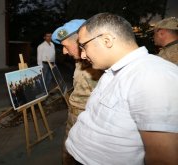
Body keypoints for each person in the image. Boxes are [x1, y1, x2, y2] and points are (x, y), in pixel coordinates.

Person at [65, 13, 178, 164]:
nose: (83, 55)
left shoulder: (153, 76)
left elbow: (163, 159)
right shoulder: (114, 71)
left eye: (84, 46)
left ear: (107, 40)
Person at [52, 19, 103, 164]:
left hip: (86, 120)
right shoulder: (79, 60)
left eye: (66, 46)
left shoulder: (98, 64)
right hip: (75, 116)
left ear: (80, 42)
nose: (63, 51)